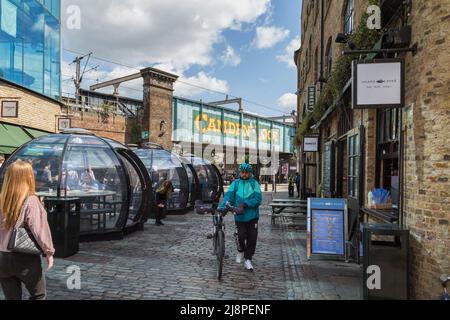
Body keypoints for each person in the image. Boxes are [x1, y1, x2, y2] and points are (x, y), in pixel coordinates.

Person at [0, 160, 55, 300]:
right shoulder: (31, 201)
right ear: (29, 177)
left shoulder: (1, 199)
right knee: (38, 295)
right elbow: (40, 230)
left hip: (1, 258)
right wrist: (49, 252)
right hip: (24, 257)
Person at [219, 163, 262, 271]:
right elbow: (228, 196)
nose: (244, 174)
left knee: (252, 238)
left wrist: (246, 204)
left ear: (250, 173)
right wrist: (223, 206)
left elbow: (258, 199)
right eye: (242, 172)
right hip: (239, 216)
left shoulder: (254, 183)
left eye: (246, 172)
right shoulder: (235, 184)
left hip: (252, 216)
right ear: (240, 172)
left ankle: (248, 259)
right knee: (241, 236)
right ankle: (241, 250)